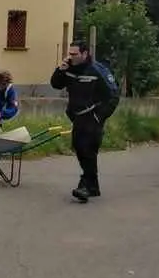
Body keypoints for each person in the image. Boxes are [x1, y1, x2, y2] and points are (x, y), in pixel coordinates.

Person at [50, 40, 121, 202]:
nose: (71, 57)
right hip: (77, 116)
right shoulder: (69, 69)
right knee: (79, 148)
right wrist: (60, 71)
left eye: (74, 54)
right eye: (70, 53)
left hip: (92, 116)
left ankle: (85, 186)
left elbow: (113, 96)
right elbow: (55, 85)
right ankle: (93, 186)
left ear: (84, 54)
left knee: (87, 150)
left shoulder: (97, 71)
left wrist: (100, 116)